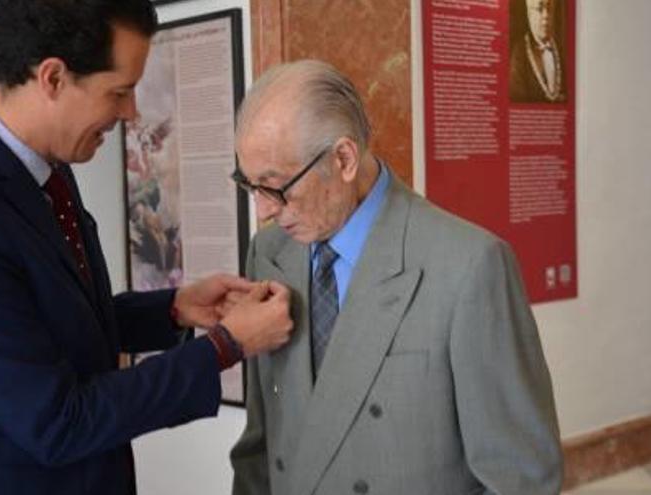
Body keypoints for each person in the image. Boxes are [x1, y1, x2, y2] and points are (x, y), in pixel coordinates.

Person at [0, 1, 293, 494]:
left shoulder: (46, 174)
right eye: (119, 92)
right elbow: (57, 421)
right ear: (52, 78)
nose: (131, 112)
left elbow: (49, 323)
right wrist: (227, 346)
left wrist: (174, 310)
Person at [229, 60, 563, 494]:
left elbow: (521, 479)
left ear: (344, 159)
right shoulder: (270, 254)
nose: (263, 210)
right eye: (248, 184)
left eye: (275, 187)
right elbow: (260, 444)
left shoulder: (469, 267)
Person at [510, 0, 566, 103]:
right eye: (539, 9)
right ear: (529, 14)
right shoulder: (519, 54)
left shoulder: (561, 52)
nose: (546, 16)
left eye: (549, 9)